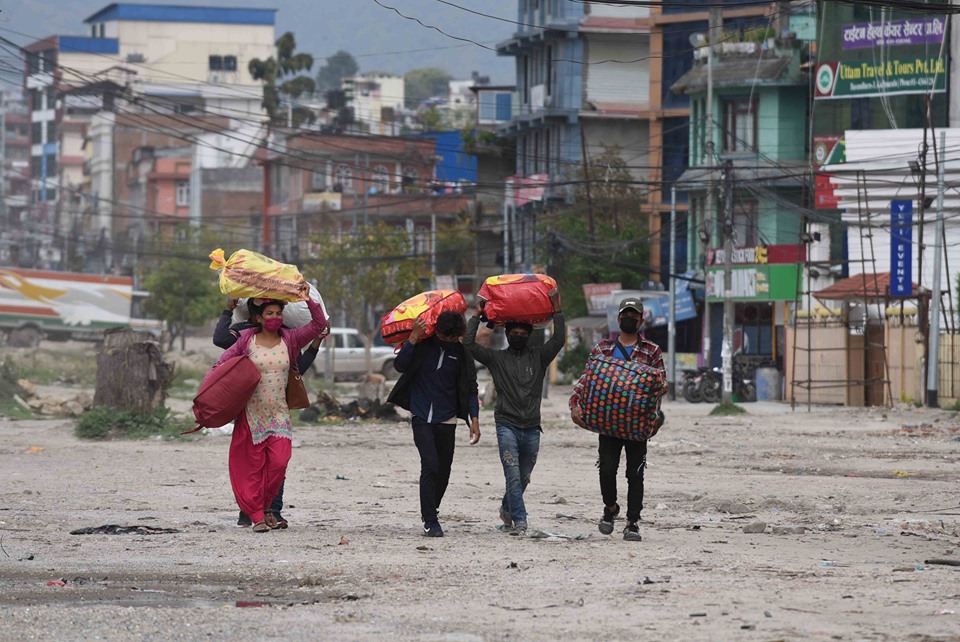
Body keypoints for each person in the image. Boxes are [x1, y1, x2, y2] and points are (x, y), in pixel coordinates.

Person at [212, 294, 327, 533]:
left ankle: (268, 508)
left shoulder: (290, 338)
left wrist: (308, 299)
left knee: (279, 463)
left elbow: (318, 325)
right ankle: (257, 514)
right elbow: (221, 363)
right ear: (258, 317)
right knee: (253, 468)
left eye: (278, 313)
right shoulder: (244, 337)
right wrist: (211, 393)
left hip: (279, 413)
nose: (275, 318)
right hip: (252, 414)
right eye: (270, 313)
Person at [464, 289, 564, 536]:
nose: (518, 335)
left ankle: (507, 509)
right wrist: (477, 315)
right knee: (513, 475)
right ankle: (520, 520)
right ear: (507, 335)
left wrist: (557, 309)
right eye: (514, 333)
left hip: (532, 427)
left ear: (529, 335)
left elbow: (559, 339)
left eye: (522, 333)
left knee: (524, 477)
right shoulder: (496, 359)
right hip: (506, 424)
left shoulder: (540, 357)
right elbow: (467, 344)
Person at [569, 297, 665, 542]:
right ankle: (610, 508)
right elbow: (586, 380)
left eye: (634, 315)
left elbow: (662, 384)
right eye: (626, 314)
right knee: (607, 469)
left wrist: (659, 393)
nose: (629, 319)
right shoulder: (603, 349)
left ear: (641, 320)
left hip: (638, 424)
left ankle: (632, 522)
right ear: (618, 318)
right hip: (607, 423)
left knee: (635, 473)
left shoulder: (652, 351)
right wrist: (574, 405)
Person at [387, 313, 480, 537]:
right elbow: (400, 366)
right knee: (430, 465)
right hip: (421, 417)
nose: (450, 341)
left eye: (454, 338)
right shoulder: (422, 346)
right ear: (437, 331)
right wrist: (412, 338)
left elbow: (471, 387)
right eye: (446, 337)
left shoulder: (461, 354)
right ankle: (431, 520)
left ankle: (431, 507)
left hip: (447, 419)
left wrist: (474, 419)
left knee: (444, 471)